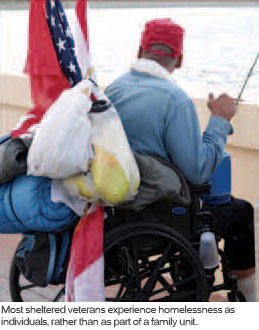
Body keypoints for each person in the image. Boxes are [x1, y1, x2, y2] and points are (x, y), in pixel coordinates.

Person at [105, 18, 255, 301]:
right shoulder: (176, 100)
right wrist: (220, 121)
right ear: (180, 59)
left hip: (119, 209)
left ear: (140, 51)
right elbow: (197, 172)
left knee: (188, 212)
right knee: (240, 211)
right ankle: (248, 300)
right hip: (158, 214)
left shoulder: (112, 90)